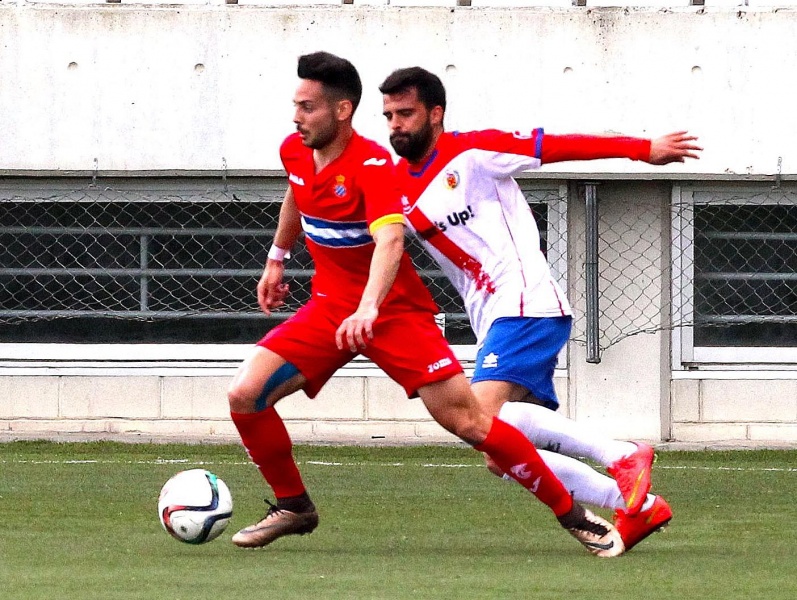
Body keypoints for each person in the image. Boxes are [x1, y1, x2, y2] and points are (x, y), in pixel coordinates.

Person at [226, 51, 624, 557]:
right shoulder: (295, 150)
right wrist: (277, 257)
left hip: (392, 312)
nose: (296, 116)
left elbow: (391, 242)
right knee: (245, 394)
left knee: (474, 425)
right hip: (329, 308)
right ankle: (294, 506)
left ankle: (574, 516)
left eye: (307, 107)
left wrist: (369, 308)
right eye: (296, 105)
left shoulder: (372, 167)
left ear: (341, 110)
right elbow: (296, 191)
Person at [379, 66, 702, 552]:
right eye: (388, 116)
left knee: (481, 423)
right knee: (499, 451)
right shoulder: (398, 188)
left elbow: (553, 147)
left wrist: (641, 149)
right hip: (493, 318)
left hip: (525, 301)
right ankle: (634, 503)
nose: (395, 125)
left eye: (405, 113)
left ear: (435, 114)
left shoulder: (472, 152)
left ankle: (621, 455)